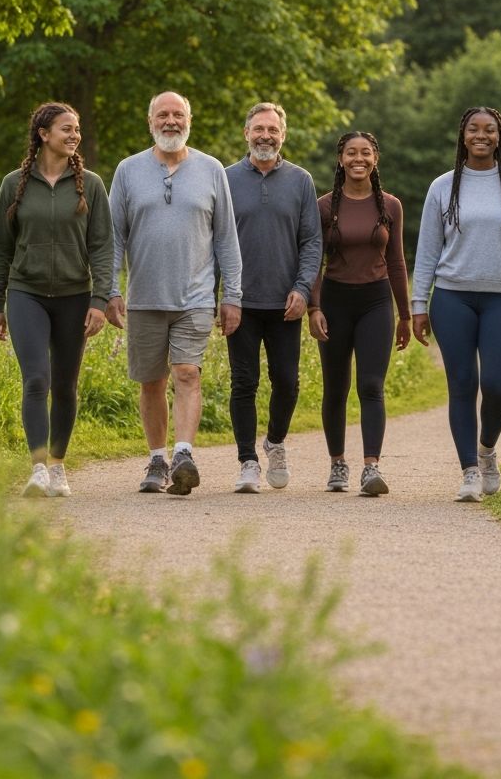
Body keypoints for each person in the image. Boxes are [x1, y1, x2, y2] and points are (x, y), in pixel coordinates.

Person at [106, 91, 242, 495]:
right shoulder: (128, 171)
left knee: (186, 373)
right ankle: (156, 459)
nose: (171, 121)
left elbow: (227, 240)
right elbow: (113, 237)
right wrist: (110, 290)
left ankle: (183, 454)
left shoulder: (211, 169)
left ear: (189, 120)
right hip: (144, 297)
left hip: (196, 298)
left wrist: (231, 295)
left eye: (178, 114)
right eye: (163, 115)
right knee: (151, 381)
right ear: (150, 122)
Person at [411, 106, 501, 502]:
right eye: (474, 129)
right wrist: (419, 304)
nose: (481, 135)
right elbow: (427, 250)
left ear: (499, 136)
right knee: (462, 385)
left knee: (499, 387)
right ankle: (469, 469)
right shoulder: (443, 186)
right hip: (452, 297)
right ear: (463, 135)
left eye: (489, 130)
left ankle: (487, 449)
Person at [0, 102, 113, 498]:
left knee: (65, 383)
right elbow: (0, 249)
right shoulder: (14, 184)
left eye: (76, 129)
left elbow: (103, 247)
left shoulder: (90, 184)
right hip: (27, 294)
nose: (74, 135)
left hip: (75, 296)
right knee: (37, 378)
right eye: (66, 129)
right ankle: (38, 468)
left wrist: (100, 299)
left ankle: (58, 467)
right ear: (43, 134)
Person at [225, 102, 322, 493]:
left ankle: (276, 443)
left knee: (287, 381)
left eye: (273, 130)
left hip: (286, 304)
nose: (265, 135)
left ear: (283, 135)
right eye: (258, 128)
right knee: (243, 382)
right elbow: (214, 240)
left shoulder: (300, 180)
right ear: (246, 132)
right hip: (240, 301)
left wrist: (302, 289)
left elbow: (312, 241)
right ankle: (247, 460)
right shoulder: (225, 178)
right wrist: (224, 295)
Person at [308, 131, 411, 496]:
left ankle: (371, 468)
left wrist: (406, 315)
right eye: (351, 153)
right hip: (335, 301)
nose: (358, 159)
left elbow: (397, 263)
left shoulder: (390, 206)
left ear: (375, 159)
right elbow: (313, 263)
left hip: (376, 302)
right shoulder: (323, 207)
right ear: (340, 159)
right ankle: (337, 464)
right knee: (335, 388)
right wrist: (314, 307)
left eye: (365, 153)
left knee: (371, 385)